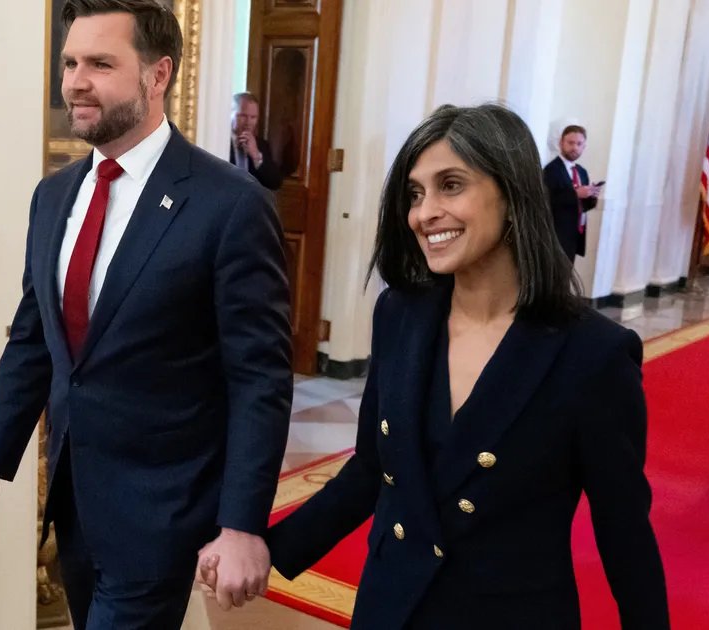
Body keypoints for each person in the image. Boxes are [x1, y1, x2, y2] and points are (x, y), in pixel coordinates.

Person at [199, 103, 669, 629]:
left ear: (512, 196)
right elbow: (373, 469)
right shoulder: (401, 314)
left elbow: (623, 529)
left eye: (451, 185)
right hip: (391, 606)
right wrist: (264, 547)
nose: (424, 213)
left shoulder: (594, 354)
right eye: (416, 194)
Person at [0, 1, 294, 627]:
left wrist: (243, 523)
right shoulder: (53, 196)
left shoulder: (229, 205)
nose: (76, 81)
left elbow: (260, 379)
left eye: (100, 64)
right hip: (77, 501)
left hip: (164, 507)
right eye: (70, 63)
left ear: (156, 75)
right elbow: (33, 340)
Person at [543, 125, 603, 261]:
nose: (575, 147)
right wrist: (575, 194)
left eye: (579, 144)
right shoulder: (551, 170)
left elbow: (583, 206)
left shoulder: (582, 172)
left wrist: (592, 196)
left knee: (565, 279)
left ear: (584, 147)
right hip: (555, 237)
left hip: (574, 236)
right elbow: (545, 201)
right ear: (561, 143)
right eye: (570, 143)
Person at [229, 92, 283, 190]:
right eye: (243, 116)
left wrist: (256, 156)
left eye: (253, 117)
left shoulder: (262, 145)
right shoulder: (220, 141)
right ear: (230, 114)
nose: (248, 122)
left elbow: (275, 183)